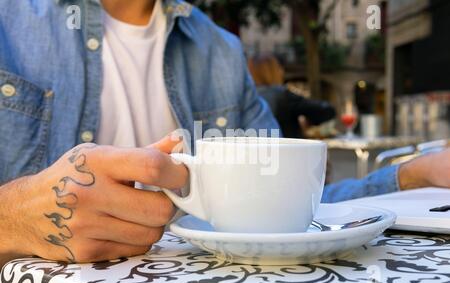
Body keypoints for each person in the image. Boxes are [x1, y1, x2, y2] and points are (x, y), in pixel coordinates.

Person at [0, 0, 449, 267]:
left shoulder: (221, 51)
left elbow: (294, 209)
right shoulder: (10, 21)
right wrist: (15, 214)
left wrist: (411, 175)